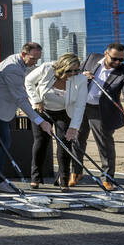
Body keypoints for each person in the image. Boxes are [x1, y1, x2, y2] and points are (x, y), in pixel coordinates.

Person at [0, 42, 52, 193]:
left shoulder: (17, 61)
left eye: (38, 59)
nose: (36, 62)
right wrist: (40, 121)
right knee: (3, 143)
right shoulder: (13, 69)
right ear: (23, 54)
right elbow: (20, 99)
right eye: (33, 58)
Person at [25, 53, 88, 189]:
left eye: (76, 70)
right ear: (61, 68)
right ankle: (36, 177)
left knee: (64, 143)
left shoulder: (81, 79)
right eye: (69, 70)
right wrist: (36, 100)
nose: (73, 73)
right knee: (41, 142)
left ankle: (63, 180)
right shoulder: (47, 68)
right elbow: (28, 81)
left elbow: (80, 104)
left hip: (64, 112)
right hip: (42, 109)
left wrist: (74, 127)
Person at [81, 43, 124, 190]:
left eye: (121, 60)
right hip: (80, 107)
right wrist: (83, 75)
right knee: (77, 140)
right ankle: (76, 172)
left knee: (105, 145)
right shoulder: (92, 58)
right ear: (106, 53)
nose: (118, 63)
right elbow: (74, 73)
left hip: (102, 111)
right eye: (114, 59)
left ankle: (107, 178)